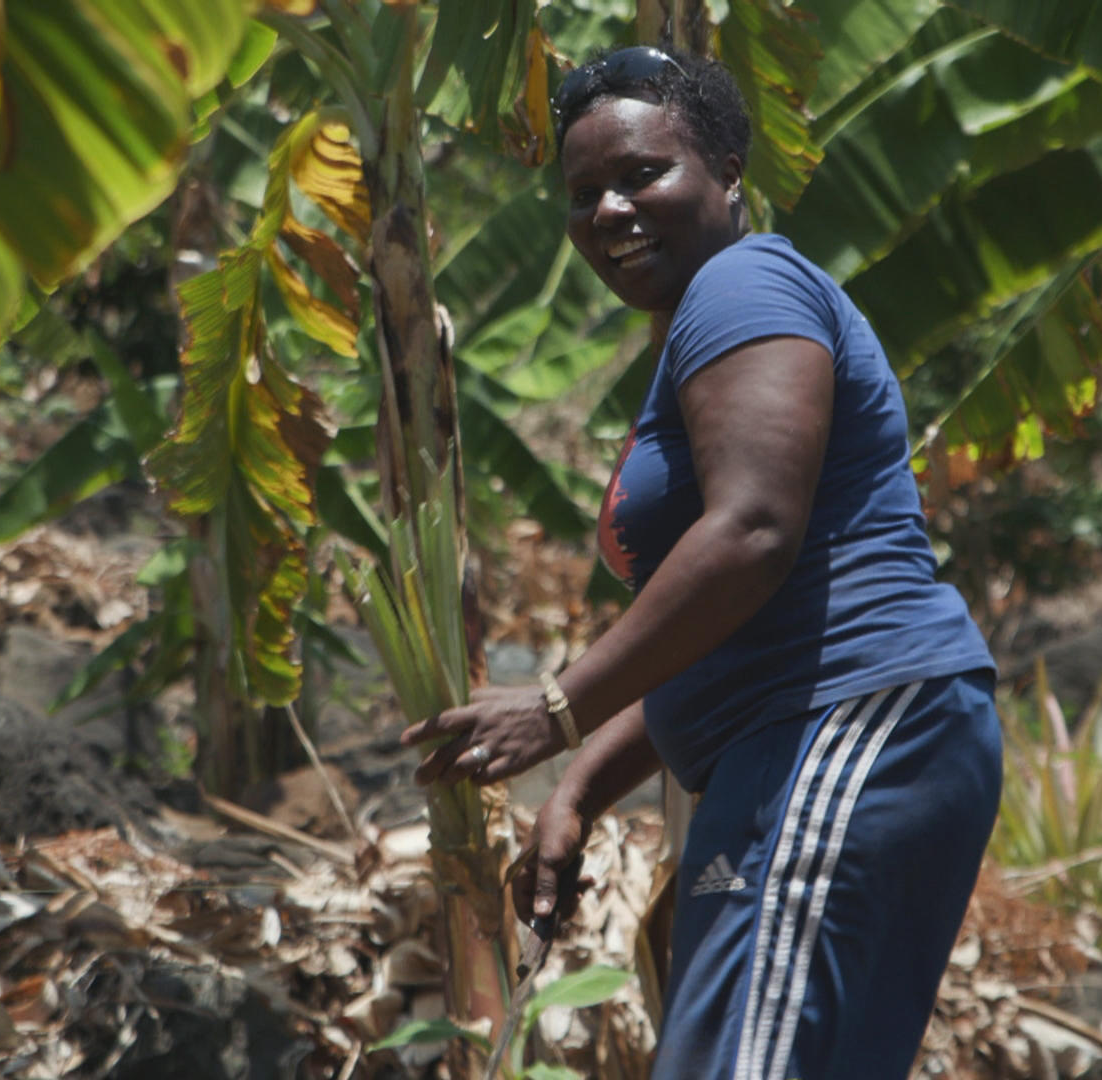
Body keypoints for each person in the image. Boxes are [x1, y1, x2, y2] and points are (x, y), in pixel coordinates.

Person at [400, 45, 1001, 1080]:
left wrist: (555, 704)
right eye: (583, 192)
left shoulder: (745, 281)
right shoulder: (702, 325)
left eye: (643, 174)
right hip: (809, 742)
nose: (610, 212)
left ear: (727, 167)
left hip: (839, 725)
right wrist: (583, 784)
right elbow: (733, 618)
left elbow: (753, 534)